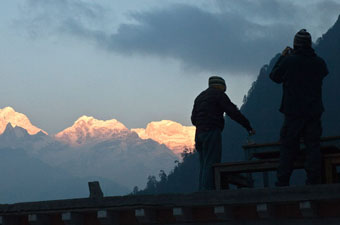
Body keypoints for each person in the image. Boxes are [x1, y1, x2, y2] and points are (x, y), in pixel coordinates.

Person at [269, 29, 329, 186]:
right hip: (313, 111)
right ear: (309, 44)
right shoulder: (319, 63)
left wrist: (283, 57)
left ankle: (282, 182)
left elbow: (274, 76)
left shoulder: (289, 62)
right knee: (313, 146)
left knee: (288, 147)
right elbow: (324, 73)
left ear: (295, 44)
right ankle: (313, 181)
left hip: (293, 112)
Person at [191, 76, 255, 190]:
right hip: (212, 131)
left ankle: (201, 191)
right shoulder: (219, 95)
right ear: (221, 86)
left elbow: (193, 119)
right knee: (211, 163)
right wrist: (248, 126)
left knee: (203, 164)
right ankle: (208, 194)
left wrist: (202, 124)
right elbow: (233, 112)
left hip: (199, 134)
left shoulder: (199, 97)